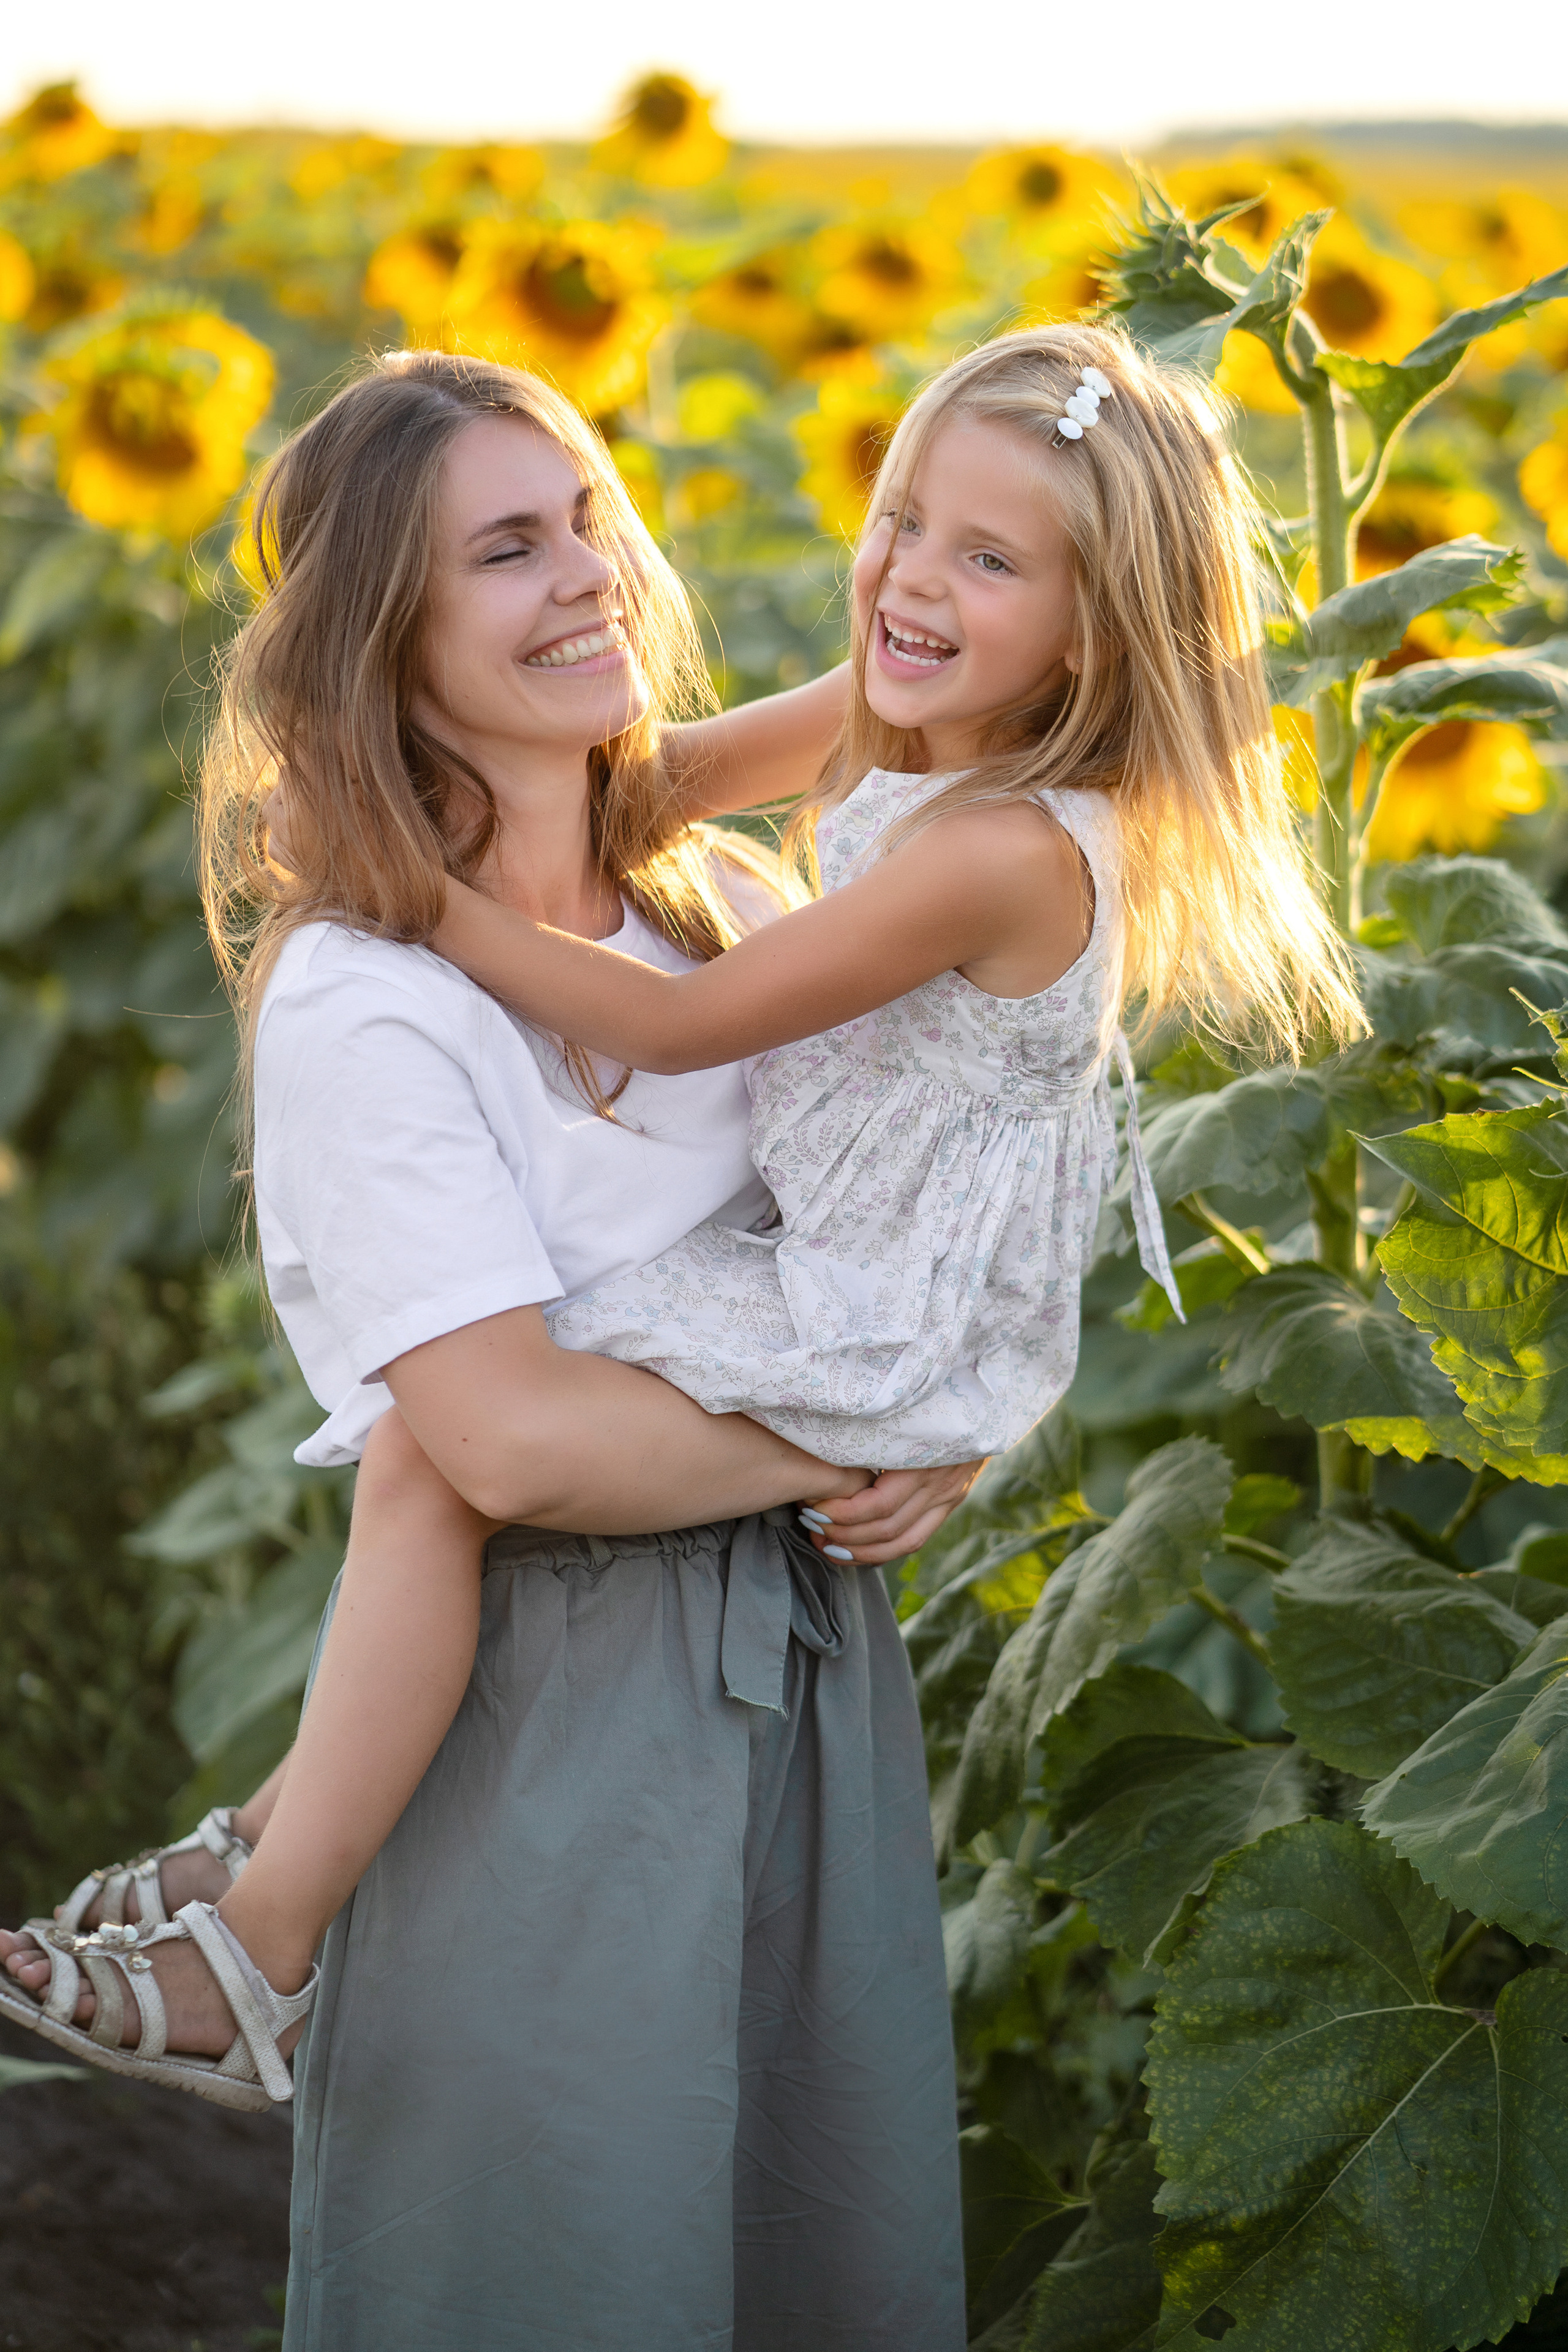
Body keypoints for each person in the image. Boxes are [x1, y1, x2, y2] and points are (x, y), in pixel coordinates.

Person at [0, 349, 978, 2352]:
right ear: (384, 634)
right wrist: (850, 1420)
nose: (585, 578)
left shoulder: (711, 901)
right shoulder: (370, 999)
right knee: (553, 2265)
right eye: (506, 553)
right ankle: (255, 1938)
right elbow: (501, 1448)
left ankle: (249, 1882)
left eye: (591, 519)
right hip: (542, 1715)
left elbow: (885, 1227)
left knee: (808, 2248)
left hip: (802, 1679)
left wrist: (940, 1415)